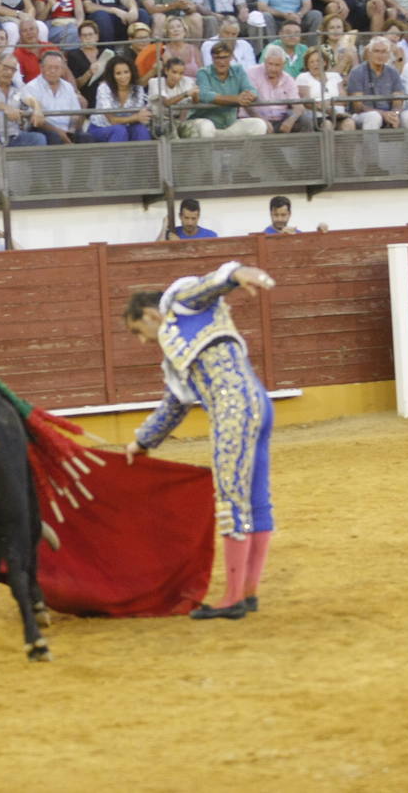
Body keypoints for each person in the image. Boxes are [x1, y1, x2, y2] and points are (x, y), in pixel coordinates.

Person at [122, 261, 278, 620]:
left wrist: (236, 275)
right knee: (255, 499)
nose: (143, 340)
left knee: (231, 500)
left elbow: (206, 286)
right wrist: (142, 443)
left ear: (149, 313)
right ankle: (248, 593)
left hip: (233, 408)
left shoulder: (179, 302)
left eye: (137, 331)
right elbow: (174, 405)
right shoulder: (175, 353)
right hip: (257, 402)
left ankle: (234, 598)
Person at [188, 41, 269, 137]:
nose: (221, 62)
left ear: (231, 57)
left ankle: (246, 152)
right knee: (205, 128)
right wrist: (236, 99)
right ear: (212, 59)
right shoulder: (203, 72)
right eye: (217, 58)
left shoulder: (238, 70)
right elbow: (204, 95)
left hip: (229, 124)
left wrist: (250, 95)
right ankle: (208, 152)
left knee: (259, 125)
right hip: (206, 121)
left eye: (224, 57)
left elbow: (251, 89)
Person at [22, 48, 83, 143]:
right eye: (49, 67)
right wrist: (59, 132)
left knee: (85, 137)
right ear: (41, 68)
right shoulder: (32, 87)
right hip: (44, 129)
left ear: (62, 70)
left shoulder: (68, 86)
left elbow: (75, 113)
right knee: (55, 138)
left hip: (67, 129)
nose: (53, 71)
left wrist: (71, 130)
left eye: (57, 68)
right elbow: (35, 119)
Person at [247, 44, 312, 132]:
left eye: (277, 65)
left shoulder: (288, 79)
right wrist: (262, 121)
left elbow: (298, 106)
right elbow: (248, 105)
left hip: (279, 119)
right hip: (256, 118)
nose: (273, 68)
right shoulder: (252, 73)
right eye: (270, 64)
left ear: (283, 65)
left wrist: (291, 120)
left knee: (305, 118)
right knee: (259, 125)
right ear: (265, 61)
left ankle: (305, 145)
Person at [85, 54, 151, 141]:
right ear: (112, 75)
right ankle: (117, 155)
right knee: (119, 130)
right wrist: (136, 117)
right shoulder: (104, 88)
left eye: (126, 72)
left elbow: (140, 116)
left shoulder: (138, 89)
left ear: (131, 72)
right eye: (118, 73)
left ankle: (147, 154)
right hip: (101, 128)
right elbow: (112, 120)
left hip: (127, 126)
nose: (123, 77)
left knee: (141, 130)